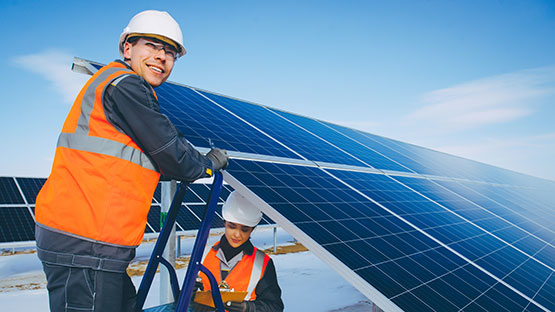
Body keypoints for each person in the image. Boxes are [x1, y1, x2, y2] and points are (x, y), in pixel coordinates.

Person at [34, 10, 229, 312]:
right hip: (85, 241)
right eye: (152, 45)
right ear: (127, 48)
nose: (162, 57)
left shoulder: (115, 85)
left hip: (90, 241)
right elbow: (173, 154)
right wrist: (208, 163)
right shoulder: (126, 86)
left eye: (170, 52)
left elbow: (141, 160)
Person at [194, 191, 284, 312]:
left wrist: (248, 307)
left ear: (252, 229)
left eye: (245, 230)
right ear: (224, 222)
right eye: (232, 226)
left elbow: (275, 307)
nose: (237, 234)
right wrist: (189, 293)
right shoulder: (202, 254)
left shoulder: (263, 263)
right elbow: (184, 302)